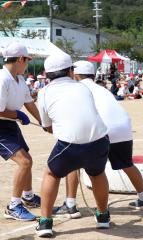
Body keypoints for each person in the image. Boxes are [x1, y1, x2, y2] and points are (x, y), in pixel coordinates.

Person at [51, 61, 143, 220]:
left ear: (75, 75)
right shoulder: (102, 89)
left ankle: (70, 205)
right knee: (127, 164)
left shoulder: (77, 89)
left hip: (102, 131)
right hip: (123, 129)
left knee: (74, 163)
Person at [36, 53, 111, 237]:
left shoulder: (43, 92)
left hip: (70, 144)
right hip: (100, 141)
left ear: (47, 74)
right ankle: (102, 217)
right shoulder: (82, 88)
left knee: (51, 173)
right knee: (97, 173)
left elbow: (46, 126)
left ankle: (45, 222)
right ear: (70, 71)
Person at [0, 42, 42, 221]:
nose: (27, 64)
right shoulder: (2, 79)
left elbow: (29, 102)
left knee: (28, 160)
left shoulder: (19, 79)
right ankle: (13, 206)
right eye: (27, 60)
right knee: (24, 162)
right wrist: (17, 114)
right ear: (19, 59)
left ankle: (28, 197)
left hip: (10, 124)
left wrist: (43, 122)